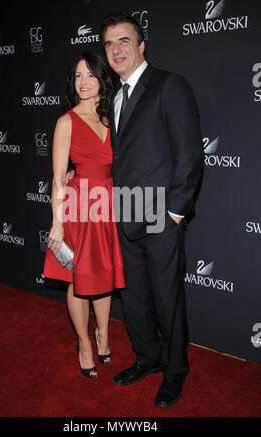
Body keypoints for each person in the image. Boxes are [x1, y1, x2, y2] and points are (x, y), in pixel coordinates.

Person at [102, 13, 203, 407]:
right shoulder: (114, 94)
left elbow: (189, 152)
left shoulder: (168, 85)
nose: (116, 50)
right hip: (126, 211)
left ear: (142, 45)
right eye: (109, 44)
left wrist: (176, 212)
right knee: (137, 298)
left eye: (124, 41)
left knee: (167, 300)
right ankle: (147, 358)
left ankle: (175, 370)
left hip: (162, 215)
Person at [42, 52, 126, 379]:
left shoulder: (115, 116)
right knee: (79, 281)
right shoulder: (66, 122)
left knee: (103, 276)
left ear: (102, 78)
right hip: (80, 207)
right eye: (78, 76)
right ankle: (84, 343)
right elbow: (57, 177)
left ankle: (103, 334)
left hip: (111, 203)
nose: (83, 82)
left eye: (90, 75)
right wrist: (58, 224)